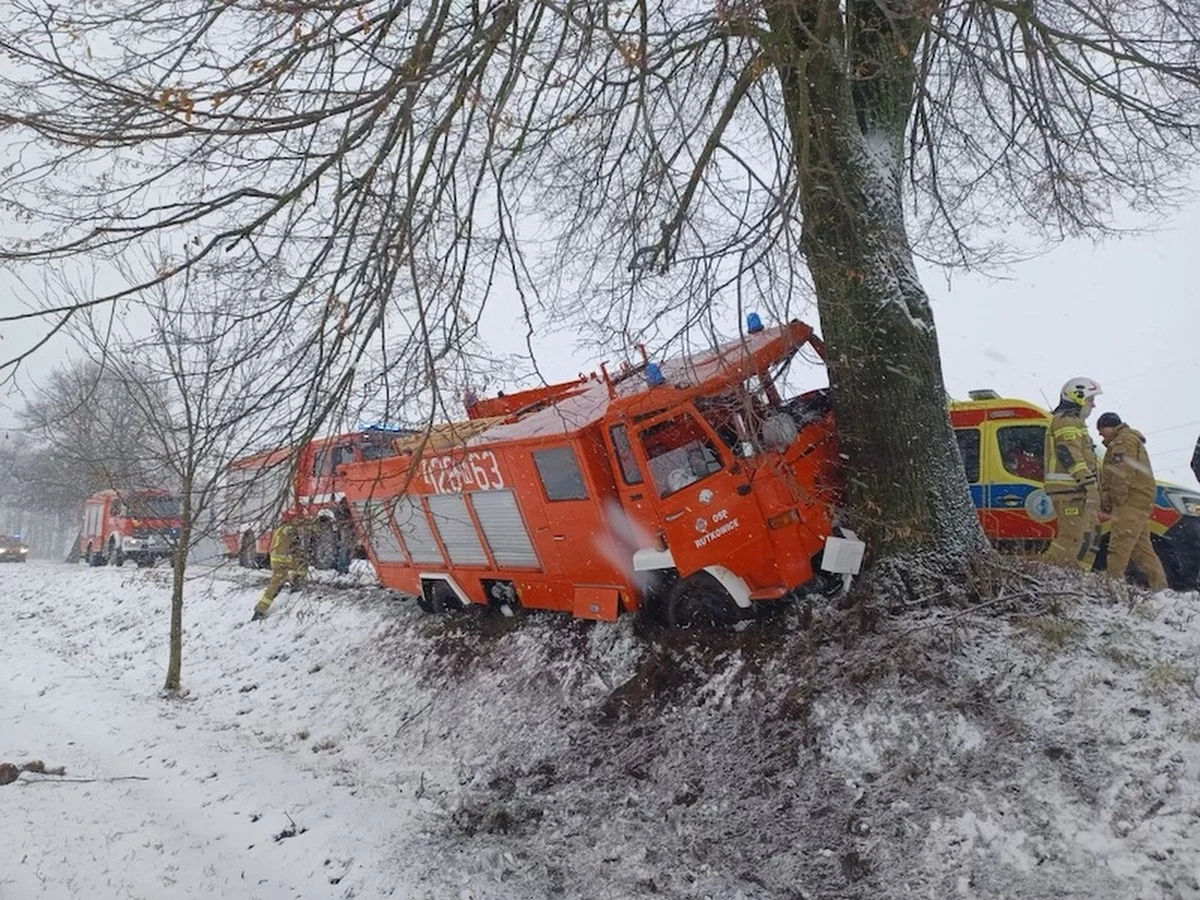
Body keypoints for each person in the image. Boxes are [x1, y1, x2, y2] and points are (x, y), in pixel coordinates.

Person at [1096, 412, 1168, 591]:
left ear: (1109, 427)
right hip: (1138, 500)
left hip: (1130, 501)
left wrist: (1115, 500)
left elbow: (1122, 473)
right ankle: (1160, 587)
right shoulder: (1128, 440)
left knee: (1118, 545)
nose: (1100, 434)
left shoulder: (1122, 442)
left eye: (1101, 430)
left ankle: (1112, 584)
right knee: (1141, 548)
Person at [1043, 377, 1103, 569]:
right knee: (1073, 537)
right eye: (1090, 399)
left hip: (1076, 489)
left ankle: (1078, 578)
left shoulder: (1075, 422)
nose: (1093, 405)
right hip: (1069, 489)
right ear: (1077, 397)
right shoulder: (1067, 420)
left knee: (1089, 536)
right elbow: (1068, 452)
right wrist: (1088, 481)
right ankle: (1054, 577)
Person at [250, 510, 309, 621]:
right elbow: (295, 548)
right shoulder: (290, 529)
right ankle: (297, 585)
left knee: (275, 584)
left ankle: (260, 609)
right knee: (301, 565)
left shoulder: (280, 528)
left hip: (276, 560)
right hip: (284, 560)